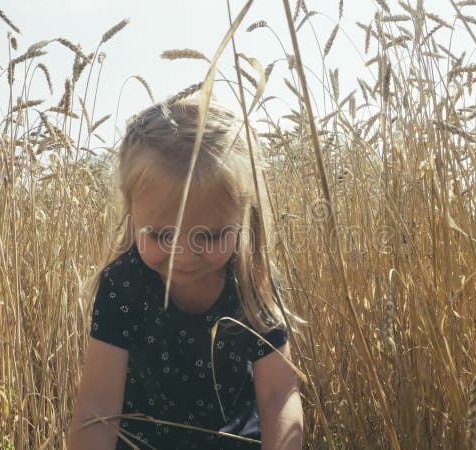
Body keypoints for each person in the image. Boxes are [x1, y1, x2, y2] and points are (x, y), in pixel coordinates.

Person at [68, 95, 304, 449]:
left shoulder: (252, 283)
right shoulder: (124, 285)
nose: (186, 255)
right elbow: (98, 410)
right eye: (163, 235)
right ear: (133, 217)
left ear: (243, 219)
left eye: (210, 236)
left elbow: (278, 397)